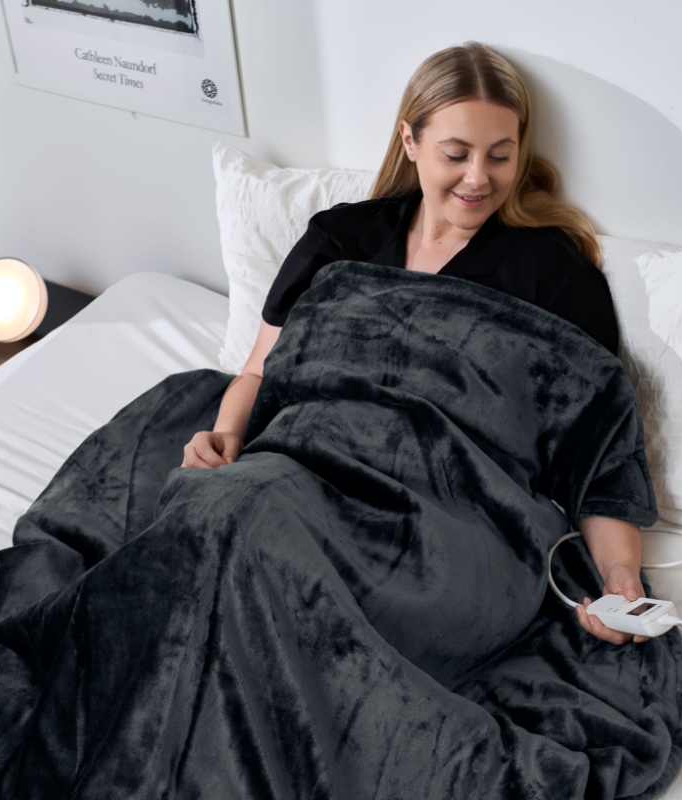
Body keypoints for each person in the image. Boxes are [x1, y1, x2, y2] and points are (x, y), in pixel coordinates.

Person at [182, 42, 650, 646]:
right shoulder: (340, 237)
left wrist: (620, 578)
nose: (479, 178)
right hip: (301, 469)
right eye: (456, 154)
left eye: (500, 156)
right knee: (226, 521)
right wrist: (226, 436)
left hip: (451, 518)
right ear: (410, 141)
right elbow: (257, 374)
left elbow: (600, 454)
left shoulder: (554, 274)